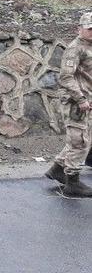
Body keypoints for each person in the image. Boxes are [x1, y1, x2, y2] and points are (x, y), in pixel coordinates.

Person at [45, 12, 92, 197]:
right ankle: (72, 183)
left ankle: (58, 169)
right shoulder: (75, 48)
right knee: (79, 141)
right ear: (79, 29)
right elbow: (65, 77)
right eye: (89, 29)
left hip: (87, 100)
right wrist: (80, 99)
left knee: (83, 138)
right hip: (76, 102)